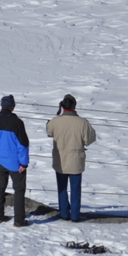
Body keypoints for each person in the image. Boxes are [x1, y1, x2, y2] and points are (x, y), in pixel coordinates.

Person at [45, 94, 97, 222]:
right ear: (74, 106)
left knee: (62, 188)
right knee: (75, 189)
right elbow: (89, 139)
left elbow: (49, 132)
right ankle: (75, 215)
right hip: (76, 160)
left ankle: (64, 213)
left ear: (62, 106)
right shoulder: (83, 123)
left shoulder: (54, 121)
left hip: (60, 160)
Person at [0, 95, 31, 227]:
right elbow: (23, 145)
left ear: (1, 106)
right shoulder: (17, 123)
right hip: (16, 163)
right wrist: (24, 163)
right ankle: (19, 221)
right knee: (19, 190)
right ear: (12, 107)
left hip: (1, 160)